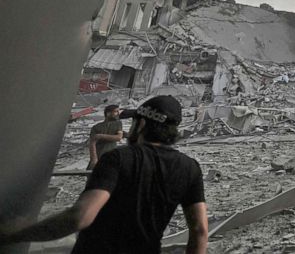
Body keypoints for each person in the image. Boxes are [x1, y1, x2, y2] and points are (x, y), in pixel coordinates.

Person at [0, 96, 208, 253]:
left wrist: (16, 233)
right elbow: (200, 231)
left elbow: (81, 217)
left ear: (141, 124)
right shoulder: (190, 168)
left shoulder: (118, 159)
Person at [87, 103, 123, 169]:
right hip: (99, 156)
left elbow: (119, 137)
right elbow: (92, 143)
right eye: (116, 111)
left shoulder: (118, 123)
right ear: (108, 114)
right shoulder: (96, 127)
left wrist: (100, 136)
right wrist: (94, 159)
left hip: (110, 157)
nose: (118, 113)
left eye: (118, 111)